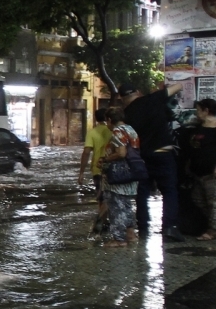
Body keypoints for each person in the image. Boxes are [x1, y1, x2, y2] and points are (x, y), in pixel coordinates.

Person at [121, 83, 186, 242]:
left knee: (142, 193)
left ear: (123, 99)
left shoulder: (127, 113)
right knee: (169, 190)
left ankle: (143, 228)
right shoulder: (152, 99)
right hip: (163, 153)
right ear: (138, 91)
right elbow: (180, 86)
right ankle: (169, 227)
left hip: (142, 157)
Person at [182, 99, 216, 240]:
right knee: (198, 198)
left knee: (215, 201)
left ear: (206, 110)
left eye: (199, 110)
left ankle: (212, 231)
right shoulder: (199, 126)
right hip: (199, 172)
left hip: (214, 172)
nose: (197, 113)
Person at [98, 107, 140, 247]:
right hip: (131, 173)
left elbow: (121, 153)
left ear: (110, 120)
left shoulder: (117, 132)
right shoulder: (131, 130)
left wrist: (106, 159)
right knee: (126, 205)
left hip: (118, 175)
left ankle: (119, 239)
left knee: (116, 206)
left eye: (107, 121)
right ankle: (130, 234)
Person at [78, 109, 112, 234]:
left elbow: (86, 152)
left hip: (97, 169)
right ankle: (105, 220)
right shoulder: (113, 131)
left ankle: (103, 221)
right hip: (113, 168)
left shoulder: (92, 132)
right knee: (112, 195)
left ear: (96, 119)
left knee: (101, 197)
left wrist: (81, 173)